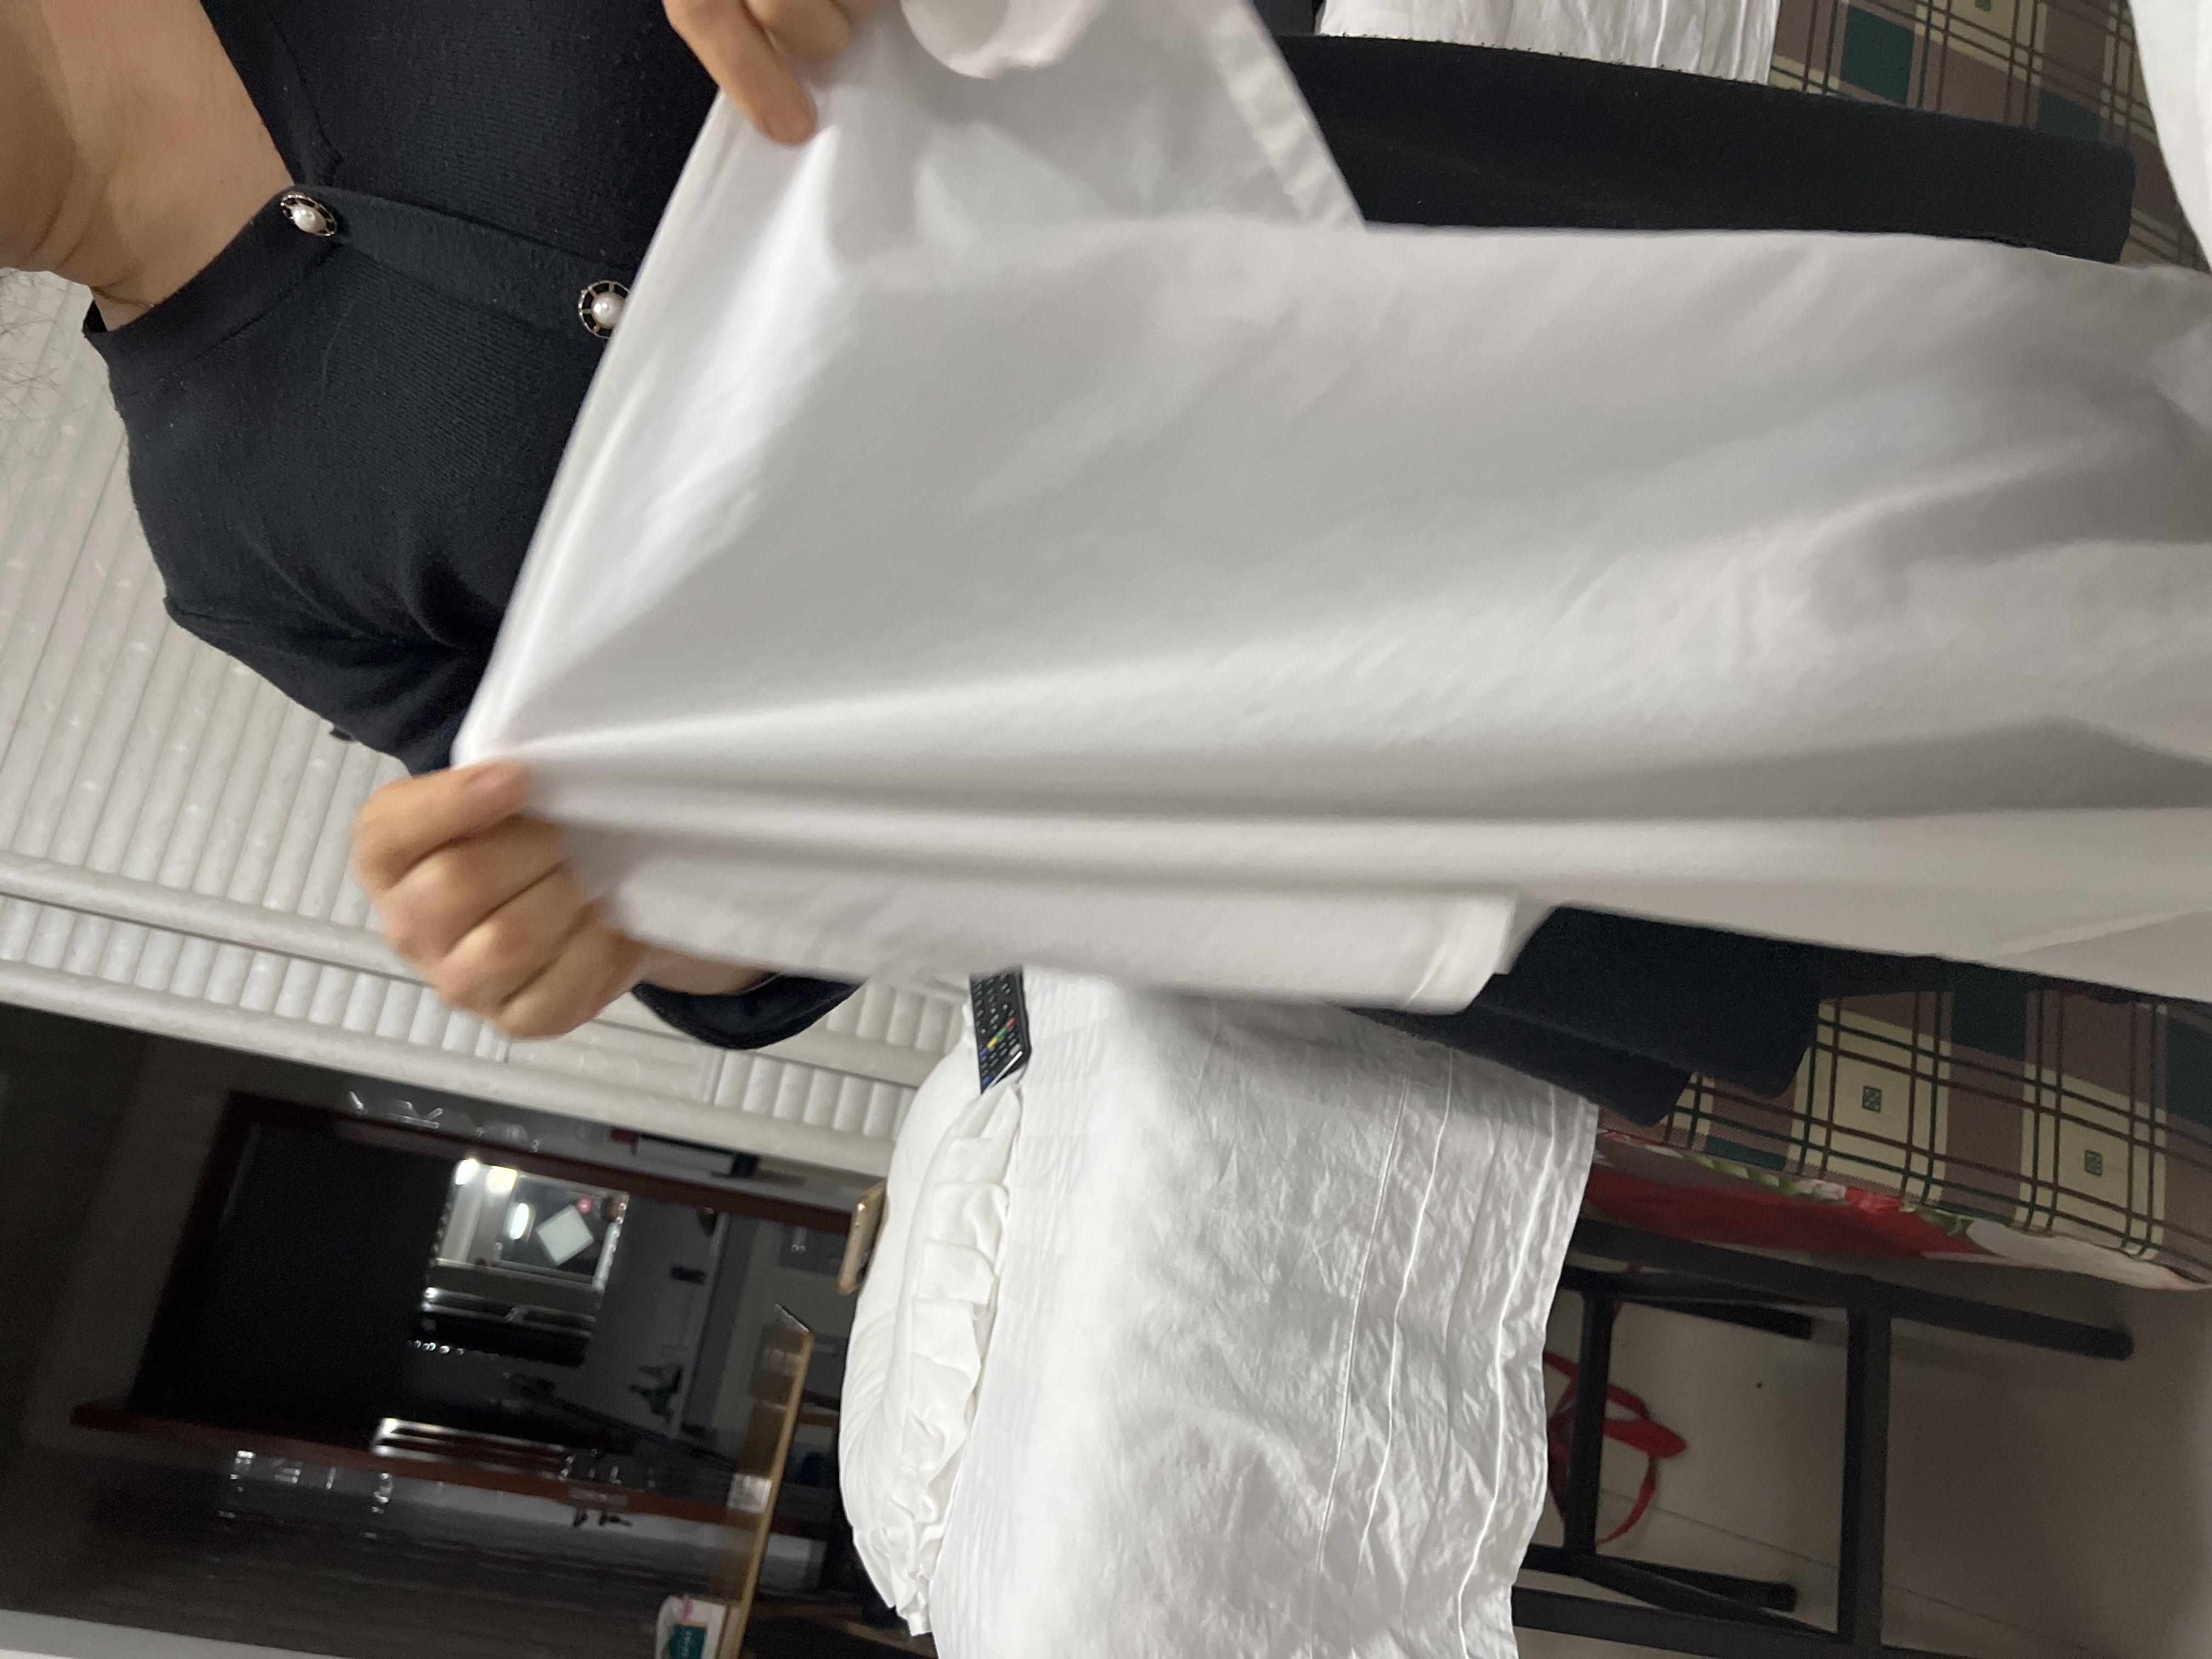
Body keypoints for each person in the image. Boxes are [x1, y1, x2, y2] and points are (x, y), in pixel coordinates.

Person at [0, 0, 2137, 1119]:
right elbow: (734, 918)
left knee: (2046, 424)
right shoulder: (229, 534)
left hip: (1420, 281)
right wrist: (588, 920)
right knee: (2028, 840)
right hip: (1331, 725)